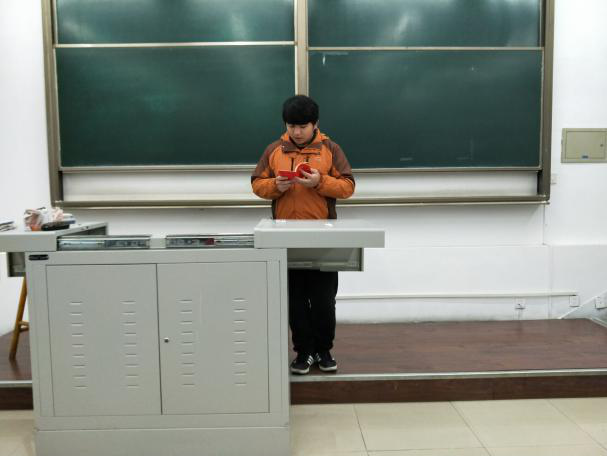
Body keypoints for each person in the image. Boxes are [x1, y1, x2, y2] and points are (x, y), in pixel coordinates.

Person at [251, 95, 355, 374]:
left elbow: (348, 186)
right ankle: (303, 352)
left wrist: (320, 182)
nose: (296, 132)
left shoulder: (330, 149)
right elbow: (257, 184)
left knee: (324, 301)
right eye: (291, 126)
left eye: (302, 126)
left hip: (324, 238)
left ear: (315, 124)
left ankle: (324, 350)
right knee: (294, 301)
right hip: (285, 238)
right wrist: (276, 186)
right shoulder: (274, 150)